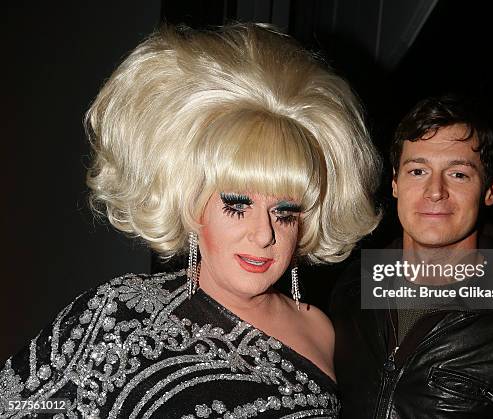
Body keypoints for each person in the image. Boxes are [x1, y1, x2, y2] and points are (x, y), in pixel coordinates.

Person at [0, 24, 381, 418]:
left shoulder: (322, 331)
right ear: (194, 206)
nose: (264, 233)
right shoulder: (120, 315)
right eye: (237, 205)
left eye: (285, 212)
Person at [331, 93, 493, 418]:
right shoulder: (352, 288)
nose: (435, 191)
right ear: (394, 182)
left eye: (458, 174)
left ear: (491, 189)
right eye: (418, 171)